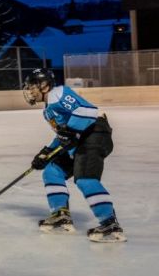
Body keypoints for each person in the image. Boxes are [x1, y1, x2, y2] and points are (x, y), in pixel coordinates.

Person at [23, 68, 125, 242]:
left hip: (94, 135)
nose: (30, 91)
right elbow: (64, 136)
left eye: (33, 86)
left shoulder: (58, 93)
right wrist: (46, 152)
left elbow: (88, 111)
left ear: (45, 86)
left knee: (85, 178)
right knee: (52, 171)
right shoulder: (48, 110)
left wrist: (70, 131)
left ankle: (110, 225)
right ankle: (60, 215)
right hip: (80, 141)